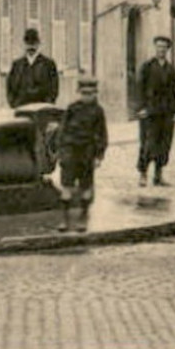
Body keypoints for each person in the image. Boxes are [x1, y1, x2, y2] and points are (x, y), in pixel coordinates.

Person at [56, 76, 108, 233]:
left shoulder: (98, 111)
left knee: (86, 186)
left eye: (91, 93)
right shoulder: (72, 108)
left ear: (95, 94)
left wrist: (99, 156)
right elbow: (62, 130)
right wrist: (61, 151)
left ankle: (83, 217)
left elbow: (102, 134)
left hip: (87, 151)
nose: (87, 96)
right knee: (67, 186)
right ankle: (64, 219)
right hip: (70, 150)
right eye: (84, 93)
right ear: (79, 93)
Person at [135, 34, 175, 187]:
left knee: (164, 144)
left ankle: (158, 175)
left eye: (164, 47)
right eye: (158, 46)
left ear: (168, 49)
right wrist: (141, 108)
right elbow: (139, 89)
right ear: (155, 48)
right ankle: (143, 174)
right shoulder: (147, 67)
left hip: (166, 112)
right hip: (150, 112)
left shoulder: (170, 69)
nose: (161, 50)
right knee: (148, 144)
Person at [6, 28, 59, 109]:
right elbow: (10, 88)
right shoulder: (17, 65)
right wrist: (14, 104)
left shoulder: (48, 65)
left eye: (33, 43)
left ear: (38, 44)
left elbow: (53, 89)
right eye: (28, 43)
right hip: (21, 108)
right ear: (24, 44)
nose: (31, 47)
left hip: (41, 109)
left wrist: (47, 106)